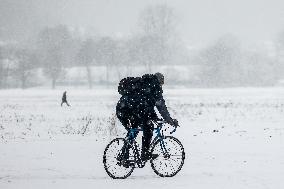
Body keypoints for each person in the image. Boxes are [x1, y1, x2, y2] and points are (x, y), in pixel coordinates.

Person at [116, 72, 178, 163]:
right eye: (162, 83)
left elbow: (147, 105)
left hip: (122, 109)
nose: (161, 85)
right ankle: (144, 153)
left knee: (134, 129)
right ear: (160, 81)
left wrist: (155, 117)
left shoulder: (144, 83)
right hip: (131, 110)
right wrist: (169, 120)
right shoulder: (154, 87)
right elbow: (160, 106)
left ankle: (123, 155)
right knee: (148, 127)